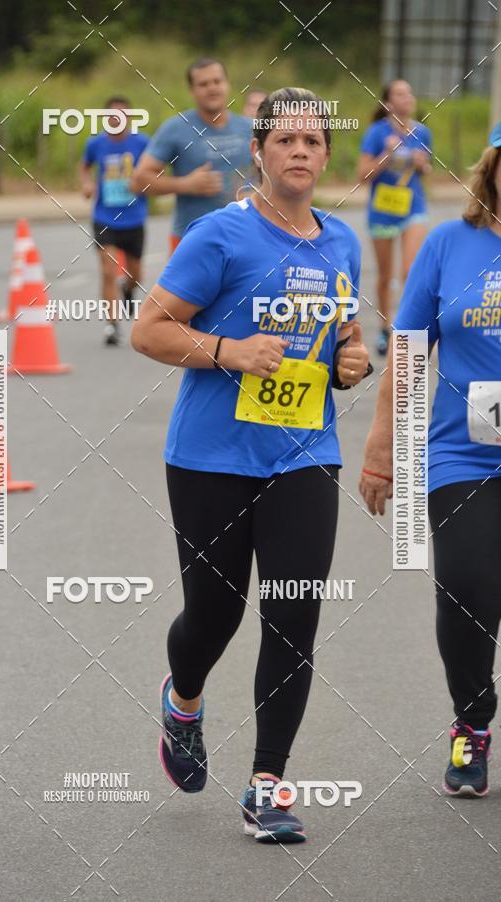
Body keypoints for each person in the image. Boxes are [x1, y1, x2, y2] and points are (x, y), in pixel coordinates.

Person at [132, 87, 371, 842]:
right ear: (260, 151)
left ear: (327, 155)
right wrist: (228, 351)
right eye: (285, 141)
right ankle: (186, 698)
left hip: (305, 454)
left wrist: (351, 359)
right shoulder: (219, 236)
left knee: (294, 614)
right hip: (210, 459)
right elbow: (149, 330)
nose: (300, 152)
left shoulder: (341, 241)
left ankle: (268, 784)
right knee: (216, 614)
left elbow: (344, 328)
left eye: (313, 142)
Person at [361, 124, 501, 798]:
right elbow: (408, 349)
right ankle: (472, 724)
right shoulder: (450, 244)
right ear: (492, 167)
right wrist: (382, 445)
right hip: (461, 454)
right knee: (468, 590)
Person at [130, 58, 252, 254]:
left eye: (217, 81)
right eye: (203, 84)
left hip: (246, 236)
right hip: (192, 240)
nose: (212, 88)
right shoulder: (176, 129)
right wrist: (186, 185)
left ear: (227, 84)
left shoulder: (249, 128)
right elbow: (138, 182)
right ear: (192, 90)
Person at [357, 79, 432, 356]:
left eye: (410, 92)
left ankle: (408, 328)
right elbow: (362, 176)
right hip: (383, 210)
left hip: (413, 208)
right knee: (386, 275)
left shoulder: (423, 133)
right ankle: (385, 328)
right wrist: (386, 154)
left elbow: (427, 172)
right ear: (388, 103)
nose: (408, 97)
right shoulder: (376, 133)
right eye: (401, 93)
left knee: (410, 270)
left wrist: (424, 166)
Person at [81, 96, 149, 346]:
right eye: (112, 115)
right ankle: (112, 325)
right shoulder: (95, 144)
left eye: (122, 115)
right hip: (104, 217)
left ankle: (129, 290)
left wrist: (145, 182)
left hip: (134, 217)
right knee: (108, 270)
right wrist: (87, 183)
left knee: (136, 275)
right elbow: (84, 166)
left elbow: (156, 170)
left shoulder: (142, 143)